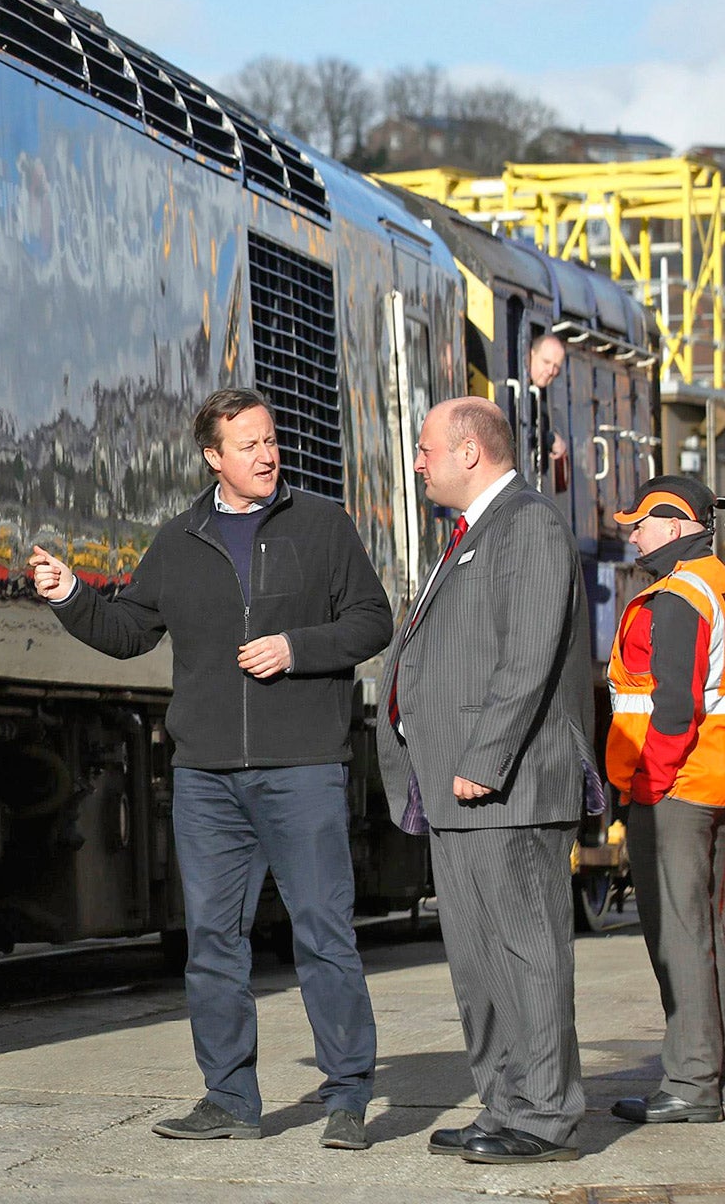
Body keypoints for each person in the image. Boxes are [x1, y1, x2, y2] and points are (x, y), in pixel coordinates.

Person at [29, 388, 392, 1151]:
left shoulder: (323, 526)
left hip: (302, 768)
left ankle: (349, 1096)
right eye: (249, 445)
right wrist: (71, 597)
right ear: (213, 458)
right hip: (207, 778)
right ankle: (230, 1100)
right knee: (212, 942)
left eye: (271, 440)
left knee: (324, 931)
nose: (266, 455)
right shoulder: (179, 539)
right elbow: (129, 631)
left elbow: (371, 619)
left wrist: (298, 649)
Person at [377, 396, 591, 1165]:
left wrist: (484, 756)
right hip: (458, 794)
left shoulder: (527, 525)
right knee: (477, 964)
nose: (419, 462)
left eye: (427, 448)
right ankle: (504, 1106)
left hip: (505, 787)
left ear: (471, 451)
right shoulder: (468, 536)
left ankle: (546, 1116)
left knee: (527, 956)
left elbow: (528, 655)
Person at [603, 475, 725, 1126]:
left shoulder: (677, 596)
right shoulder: (718, 585)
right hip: (715, 780)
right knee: (712, 935)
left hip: (676, 787)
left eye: (641, 523)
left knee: (678, 937)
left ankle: (692, 1083)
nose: (632, 534)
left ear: (676, 527)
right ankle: (710, 1073)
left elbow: (673, 708)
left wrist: (647, 785)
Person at [525, 332, 569, 483]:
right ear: (531, 354)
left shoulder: (540, 393)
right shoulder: (522, 390)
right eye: (546, 362)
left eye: (556, 366)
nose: (551, 371)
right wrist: (549, 439)